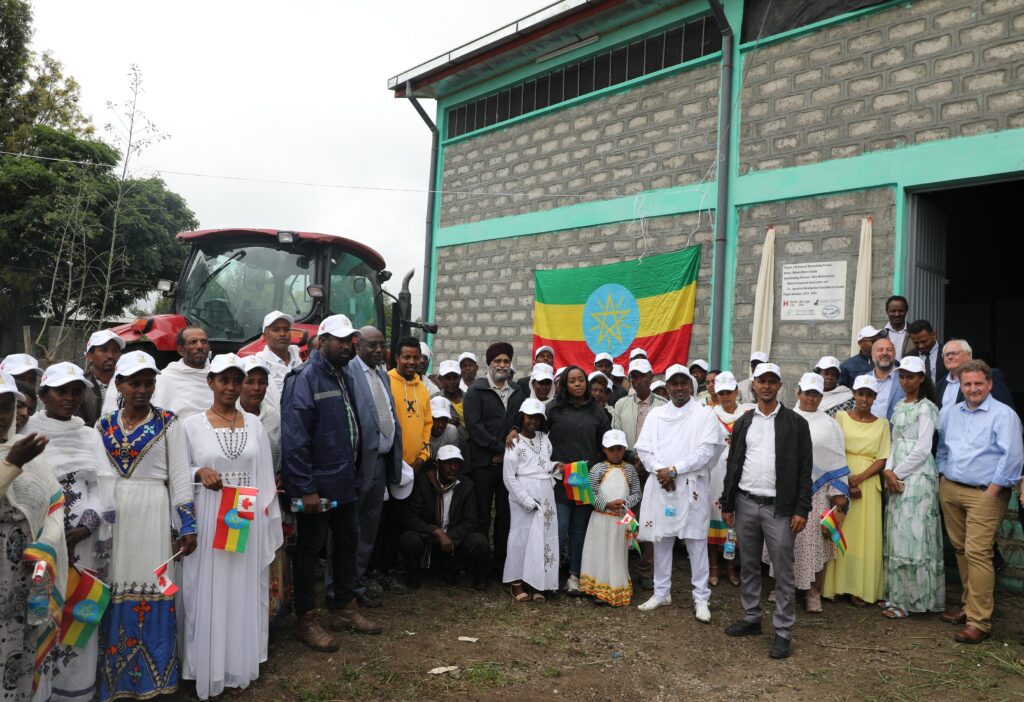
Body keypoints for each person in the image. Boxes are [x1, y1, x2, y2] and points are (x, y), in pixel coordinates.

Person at [96, 351, 197, 701]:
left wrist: (187, 525)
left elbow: (181, 477)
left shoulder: (169, 422)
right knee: (114, 586)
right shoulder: (103, 425)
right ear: (119, 385)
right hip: (116, 517)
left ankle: (157, 682)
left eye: (148, 383)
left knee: (154, 589)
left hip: (153, 515)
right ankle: (115, 682)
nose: (142, 389)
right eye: (134, 383)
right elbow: (96, 477)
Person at [181, 353, 283, 699]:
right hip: (210, 515)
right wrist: (198, 471)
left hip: (244, 513)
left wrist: (265, 521)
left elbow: (265, 477)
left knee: (241, 586)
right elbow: (180, 471)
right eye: (223, 380)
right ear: (210, 382)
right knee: (207, 587)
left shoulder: (254, 424)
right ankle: (205, 664)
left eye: (236, 381)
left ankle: (238, 661)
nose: (230, 387)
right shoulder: (191, 425)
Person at [282, 315, 380, 655]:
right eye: (338, 340)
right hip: (317, 487)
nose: (346, 345)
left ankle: (343, 609)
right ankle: (306, 618)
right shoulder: (304, 378)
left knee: (347, 543)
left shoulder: (343, 374)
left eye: (349, 339)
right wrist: (306, 487)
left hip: (344, 482)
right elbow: (295, 439)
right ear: (321, 341)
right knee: (310, 550)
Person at [26, 362, 116, 701]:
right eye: (61, 391)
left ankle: (76, 692)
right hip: (42, 542)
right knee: (43, 612)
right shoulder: (27, 432)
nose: (70, 397)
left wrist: (85, 526)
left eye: (77, 391)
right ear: (44, 394)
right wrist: (51, 531)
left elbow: (103, 483)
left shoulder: (89, 434)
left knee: (80, 611)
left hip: (84, 541)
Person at [721, 363, 812, 660]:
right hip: (746, 502)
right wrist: (728, 501)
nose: (767, 386)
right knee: (748, 565)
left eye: (773, 382)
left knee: (783, 572)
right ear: (754, 386)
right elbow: (733, 463)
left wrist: (802, 508)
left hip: (780, 508)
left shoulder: (796, 424)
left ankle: (783, 631)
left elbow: (804, 470)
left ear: (780, 386)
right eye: (762, 381)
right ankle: (751, 618)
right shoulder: (745, 422)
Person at [936, 359, 1023, 644]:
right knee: (960, 550)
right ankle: (967, 605)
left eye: (978, 384)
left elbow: (1012, 458)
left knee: (977, 552)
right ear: (960, 386)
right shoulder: (952, 413)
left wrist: (993, 490)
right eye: (967, 384)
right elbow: (944, 447)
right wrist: (942, 478)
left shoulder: (1004, 415)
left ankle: (979, 621)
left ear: (989, 384)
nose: (972, 389)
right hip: (951, 489)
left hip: (985, 493)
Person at [635, 365, 725, 621]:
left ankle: (701, 598)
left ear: (691, 385)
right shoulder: (656, 415)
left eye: (683, 383)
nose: (679, 388)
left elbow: (707, 451)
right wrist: (661, 472)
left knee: (696, 542)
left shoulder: (704, 415)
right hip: (661, 484)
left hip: (691, 485)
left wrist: (675, 470)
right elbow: (644, 450)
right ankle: (661, 592)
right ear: (668, 387)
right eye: (673, 383)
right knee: (662, 540)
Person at [0, 371, 67, 702]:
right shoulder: (18, 455)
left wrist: (46, 546)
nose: (1, 416)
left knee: (21, 652)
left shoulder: (24, 449)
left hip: (26, 576)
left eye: (5, 407)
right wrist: (11, 466)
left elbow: (55, 503)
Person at [764, 373, 849, 614]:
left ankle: (813, 590)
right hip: (786, 489)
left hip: (817, 492)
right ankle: (782, 586)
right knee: (782, 540)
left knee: (814, 542)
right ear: (797, 392)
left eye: (815, 394)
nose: (810, 398)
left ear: (821, 397)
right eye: (806, 393)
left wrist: (838, 494)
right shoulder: (784, 418)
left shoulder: (830, 424)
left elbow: (837, 458)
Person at [880, 355, 944, 620]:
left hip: (917, 477)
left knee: (916, 536)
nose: (906, 380)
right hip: (897, 473)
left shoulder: (926, 407)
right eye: (902, 376)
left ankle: (918, 599)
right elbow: (895, 442)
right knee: (898, 535)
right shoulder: (898, 406)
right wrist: (888, 470)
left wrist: (898, 472)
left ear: (921, 379)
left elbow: (922, 447)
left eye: (911, 376)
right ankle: (898, 596)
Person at [343, 325, 402, 607]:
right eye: (372, 345)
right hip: (358, 465)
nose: (379, 350)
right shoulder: (348, 372)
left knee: (368, 528)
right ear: (357, 345)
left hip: (380, 464)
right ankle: (340, 591)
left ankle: (356, 583)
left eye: (382, 345)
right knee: (347, 530)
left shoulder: (382, 374)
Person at [822, 375, 890, 606]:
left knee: (864, 536)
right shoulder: (840, 418)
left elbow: (882, 457)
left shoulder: (882, 424)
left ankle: (860, 589)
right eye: (860, 393)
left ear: (874, 398)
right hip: (841, 478)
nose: (864, 398)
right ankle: (838, 585)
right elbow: (833, 448)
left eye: (869, 394)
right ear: (853, 395)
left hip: (868, 484)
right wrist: (847, 482)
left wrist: (859, 479)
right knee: (842, 531)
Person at [544, 366, 610, 595]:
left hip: (586, 480)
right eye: (572, 381)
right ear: (565, 384)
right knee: (559, 528)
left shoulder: (598, 412)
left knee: (579, 530)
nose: (578, 384)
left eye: (581, 380)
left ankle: (574, 575)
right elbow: (536, 433)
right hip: (561, 480)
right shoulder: (553, 409)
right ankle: (551, 575)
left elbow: (606, 444)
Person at [463, 341, 524, 578]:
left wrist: (516, 429)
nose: (502, 365)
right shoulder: (476, 391)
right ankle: (479, 569)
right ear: (489, 364)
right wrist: (499, 449)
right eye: (497, 361)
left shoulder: (517, 391)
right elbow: (475, 428)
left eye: (506, 361)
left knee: (505, 515)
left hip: (509, 467)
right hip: (483, 464)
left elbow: (521, 418)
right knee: (481, 515)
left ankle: (501, 566)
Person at [240, 355, 290, 626]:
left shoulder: (273, 417)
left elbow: (281, 453)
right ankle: (243, 617)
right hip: (241, 500)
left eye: (262, 382)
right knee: (242, 553)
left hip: (270, 498)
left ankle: (268, 618)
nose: (257, 388)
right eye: (250, 382)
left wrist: (280, 474)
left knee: (271, 553)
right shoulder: (231, 416)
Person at [400, 445, 490, 589]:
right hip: (427, 538)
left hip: (452, 543)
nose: (453, 467)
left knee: (479, 542)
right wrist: (436, 532)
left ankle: (454, 571)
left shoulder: (466, 485)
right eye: (448, 463)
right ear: (437, 464)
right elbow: (410, 517)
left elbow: (470, 521)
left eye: (456, 463)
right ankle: (413, 576)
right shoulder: (423, 481)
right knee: (409, 539)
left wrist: (449, 537)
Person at [610, 358, 666, 589]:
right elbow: (616, 434)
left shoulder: (663, 405)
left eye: (643, 376)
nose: (639, 380)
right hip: (628, 467)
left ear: (651, 377)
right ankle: (622, 566)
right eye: (634, 376)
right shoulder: (622, 404)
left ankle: (646, 570)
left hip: (653, 470)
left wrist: (648, 461)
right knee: (626, 516)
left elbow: (666, 438)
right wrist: (630, 457)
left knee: (649, 518)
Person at [502, 398, 560, 601]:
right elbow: (509, 476)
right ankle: (516, 582)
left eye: (537, 417)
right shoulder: (514, 441)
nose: (533, 421)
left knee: (543, 537)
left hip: (545, 493)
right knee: (522, 537)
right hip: (523, 495)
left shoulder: (545, 438)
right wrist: (525, 500)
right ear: (522, 417)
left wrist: (554, 467)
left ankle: (538, 582)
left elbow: (543, 464)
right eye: (529, 417)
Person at [580, 429, 641, 607]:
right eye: (612, 449)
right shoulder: (597, 469)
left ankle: (615, 586)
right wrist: (605, 504)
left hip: (621, 520)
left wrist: (625, 503)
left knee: (616, 552)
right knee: (600, 550)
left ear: (624, 450)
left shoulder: (630, 470)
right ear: (604, 450)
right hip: (600, 518)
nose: (616, 453)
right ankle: (597, 586)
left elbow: (637, 492)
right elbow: (590, 493)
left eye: (619, 449)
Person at [708, 371, 753, 587]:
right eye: (721, 393)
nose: (725, 397)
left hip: (739, 471)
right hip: (715, 473)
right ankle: (714, 567)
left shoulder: (748, 413)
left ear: (737, 391)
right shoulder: (709, 413)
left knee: (733, 516)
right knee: (712, 516)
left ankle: (731, 567)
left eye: (729, 392)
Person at [151, 327, 213, 419]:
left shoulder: (218, 375)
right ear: (180, 350)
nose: (200, 346)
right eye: (193, 342)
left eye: (204, 342)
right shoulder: (166, 377)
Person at [936, 339, 1015, 409]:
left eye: (954, 353)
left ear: (969, 355)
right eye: (946, 354)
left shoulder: (989, 375)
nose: (950, 357)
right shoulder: (941, 384)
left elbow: (1006, 408)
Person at [78, 329, 125, 426]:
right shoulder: (80, 386)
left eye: (115, 350)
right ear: (89, 356)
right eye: (103, 350)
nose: (110, 356)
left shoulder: (130, 384)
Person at [255, 310, 302, 402]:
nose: (282, 334)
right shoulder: (260, 364)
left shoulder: (298, 359)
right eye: (276, 330)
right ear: (265, 335)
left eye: (286, 329)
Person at [868, 337, 905, 420]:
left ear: (895, 354)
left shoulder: (905, 378)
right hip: (868, 431)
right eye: (880, 350)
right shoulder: (864, 379)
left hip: (894, 431)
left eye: (889, 350)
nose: (884, 353)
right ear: (872, 354)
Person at [437, 359, 468, 446]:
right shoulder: (435, 400)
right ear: (440, 379)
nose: (452, 382)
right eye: (447, 378)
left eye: (455, 377)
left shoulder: (470, 399)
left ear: (460, 378)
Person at [906, 319, 943, 384]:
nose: (921, 346)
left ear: (934, 335)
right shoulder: (908, 358)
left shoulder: (947, 354)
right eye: (916, 343)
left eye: (924, 341)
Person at [883, 295, 912, 360]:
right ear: (887, 311)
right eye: (893, 311)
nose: (897, 314)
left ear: (906, 311)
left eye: (901, 311)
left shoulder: (914, 333)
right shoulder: (880, 335)